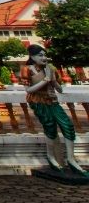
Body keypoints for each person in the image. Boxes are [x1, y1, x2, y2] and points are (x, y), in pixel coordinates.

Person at [21, 44, 87, 175]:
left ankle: (71, 159)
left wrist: (52, 79)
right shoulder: (27, 69)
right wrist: (45, 80)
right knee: (50, 127)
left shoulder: (50, 68)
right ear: (32, 57)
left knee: (68, 126)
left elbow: (59, 89)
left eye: (44, 55)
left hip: (53, 101)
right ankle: (51, 157)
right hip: (38, 102)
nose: (44, 57)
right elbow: (28, 90)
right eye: (40, 55)